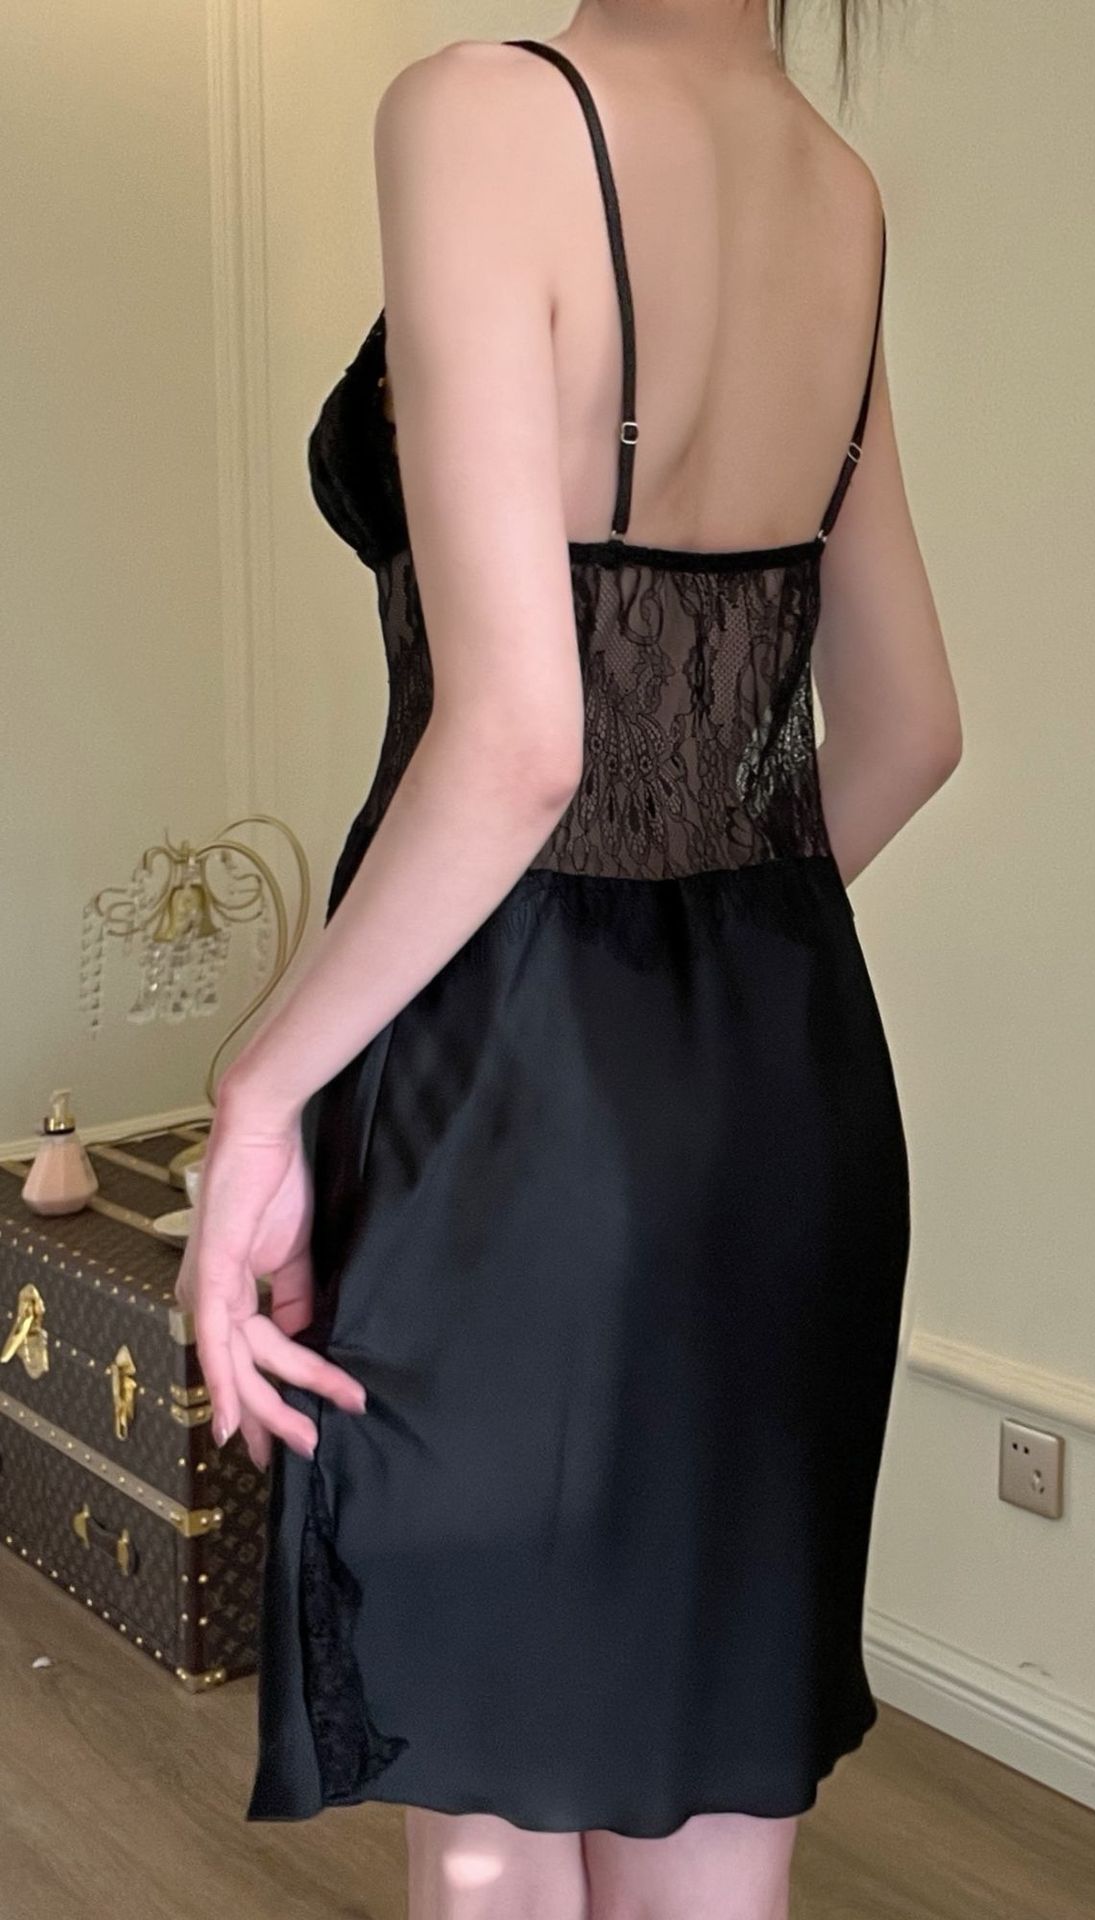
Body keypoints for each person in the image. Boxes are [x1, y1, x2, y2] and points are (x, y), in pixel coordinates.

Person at [176, 4, 959, 1915]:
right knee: (712, 1835)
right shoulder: (837, 192)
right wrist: (687, 950)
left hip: (516, 1104)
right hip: (786, 1094)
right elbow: (911, 731)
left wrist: (261, 1091)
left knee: (496, 1837)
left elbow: (524, 743)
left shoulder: (479, 112)